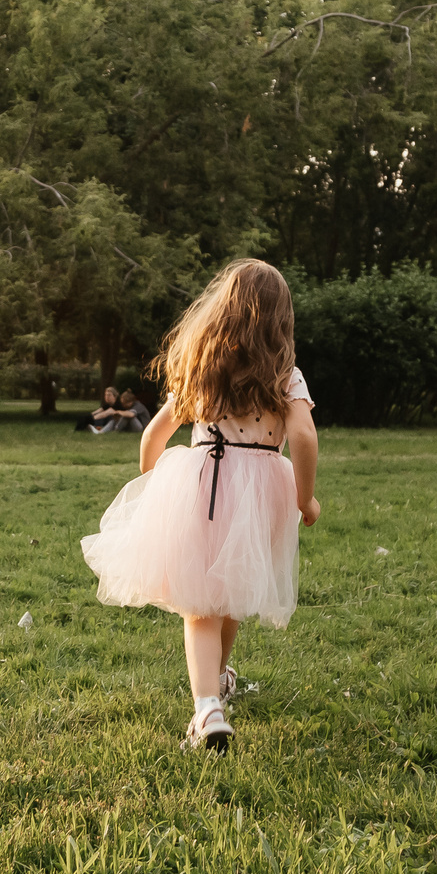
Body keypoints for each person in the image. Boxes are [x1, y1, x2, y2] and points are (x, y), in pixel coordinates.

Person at [81, 259, 320, 752]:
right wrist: (305, 497)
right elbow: (303, 436)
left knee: (200, 605)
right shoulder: (285, 375)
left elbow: (155, 434)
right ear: (280, 319)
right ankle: (216, 688)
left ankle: (207, 705)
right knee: (230, 590)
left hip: (202, 487)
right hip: (260, 493)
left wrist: (152, 479)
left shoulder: (202, 366)